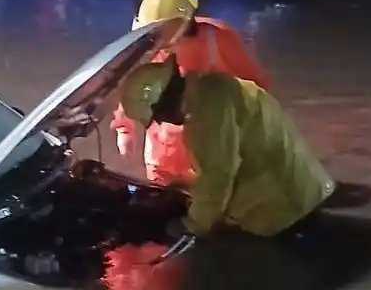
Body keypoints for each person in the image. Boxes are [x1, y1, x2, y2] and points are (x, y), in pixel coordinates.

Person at [117, 57, 334, 239]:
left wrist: (192, 225)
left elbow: (218, 176)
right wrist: (187, 185)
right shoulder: (214, 86)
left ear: (164, 101)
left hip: (283, 206)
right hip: (301, 185)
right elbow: (232, 155)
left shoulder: (206, 114)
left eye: (159, 117)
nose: (164, 122)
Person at [111, 0, 270, 186]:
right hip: (162, 151)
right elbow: (132, 86)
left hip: (210, 147)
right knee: (160, 197)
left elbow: (255, 83)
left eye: (158, 31)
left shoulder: (217, 38)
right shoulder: (148, 47)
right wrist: (124, 129)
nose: (153, 37)